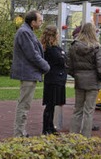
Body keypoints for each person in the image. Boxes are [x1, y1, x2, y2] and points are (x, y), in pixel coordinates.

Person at [11, 10, 50, 138]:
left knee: (25, 104)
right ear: (33, 22)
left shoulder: (27, 31)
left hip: (29, 73)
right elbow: (32, 54)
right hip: (27, 73)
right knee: (24, 104)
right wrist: (45, 66)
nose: (41, 23)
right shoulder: (25, 33)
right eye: (40, 21)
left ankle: (21, 131)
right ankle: (19, 133)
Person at [67, 22, 101, 138]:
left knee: (77, 109)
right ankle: (86, 137)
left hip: (79, 81)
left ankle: (73, 136)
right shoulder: (96, 47)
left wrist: (77, 75)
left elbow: (68, 66)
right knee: (89, 111)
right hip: (93, 82)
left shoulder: (74, 46)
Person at [41, 25, 67, 135]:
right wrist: (63, 56)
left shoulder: (49, 48)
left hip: (55, 78)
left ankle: (50, 127)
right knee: (50, 105)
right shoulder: (51, 49)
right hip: (54, 79)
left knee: (52, 105)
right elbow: (62, 60)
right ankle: (47, 128)